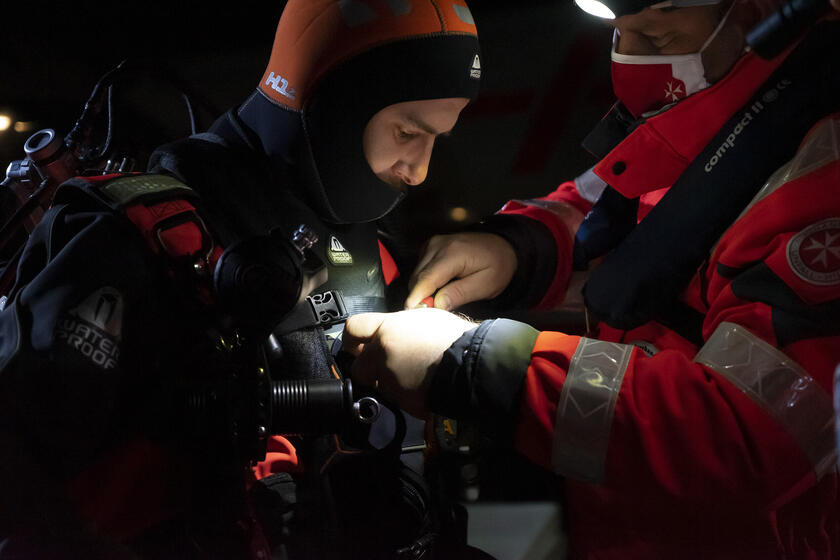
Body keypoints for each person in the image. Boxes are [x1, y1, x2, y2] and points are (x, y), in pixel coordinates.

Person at [343, 0, 840, 557]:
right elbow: (599, 210)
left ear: (764, 14)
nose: (629, 60)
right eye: (618, 34)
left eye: (654, 37)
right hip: (611, 526)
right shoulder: (707, 123)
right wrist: (516, 248)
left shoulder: (820, 172)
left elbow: (756, 435)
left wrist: (478, 362)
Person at [0, 1, 483, 558]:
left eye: (435, 141)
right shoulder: (140, 236)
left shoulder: (383, 259)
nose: (419, 171)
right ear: (338, 102)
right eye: (407, 132)